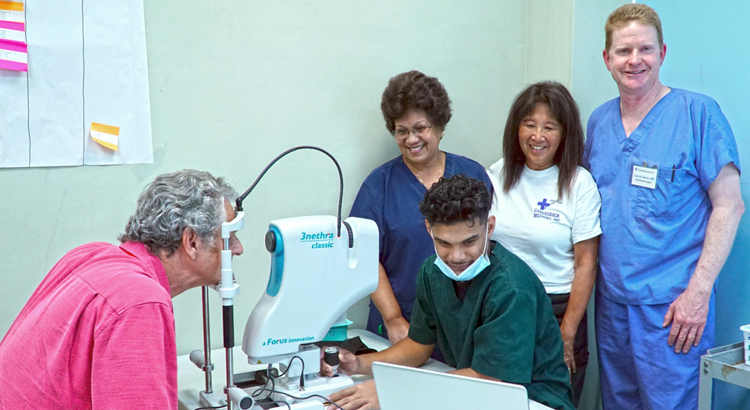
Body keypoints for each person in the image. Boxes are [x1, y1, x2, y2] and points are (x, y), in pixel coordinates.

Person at [583, 4, 744, 409]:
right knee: (618, 402)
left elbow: (730, 205)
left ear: (662, 53)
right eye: (622, 51)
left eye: (645, 49)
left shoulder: (697, 114)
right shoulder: (599, 123)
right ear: (607, 58)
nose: (634, 60)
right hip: (613, 306)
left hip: (674, 309)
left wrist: (698, 293)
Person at [324, 175, 574, 410]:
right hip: (476, 391)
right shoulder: (432, 272)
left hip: (532, 400)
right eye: (443, 243)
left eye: (469, 242)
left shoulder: (511, 288)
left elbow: (492, 377)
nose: (456, 257)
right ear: (428, 229)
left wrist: (394, 390)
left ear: (490, 227)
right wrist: (360, 365)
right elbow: (419, 346)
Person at [0, 169, 244, 409]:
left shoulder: (90, 255)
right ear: (191, 241)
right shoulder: (139, 302)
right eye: (229, 237)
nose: (238, 248)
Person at [349, 71, 491, 354]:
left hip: (464, 320)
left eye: (421, 128)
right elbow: (363, 257)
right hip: (402, 323)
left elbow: (487, 244)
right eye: (402, 131)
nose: (412, 139)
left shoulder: (472, 174)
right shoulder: (380, 186)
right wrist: (393, 319)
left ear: (440, 127)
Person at [486, 81, 600, 407]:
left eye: (549, 127)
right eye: (529, 125)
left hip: (558, 311)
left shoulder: (580, 184)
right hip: (503, 308)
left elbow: (586, 264)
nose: (538, 136)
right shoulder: (496, 174)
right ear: (516, 129)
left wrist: (565, 336)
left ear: (564, 134)